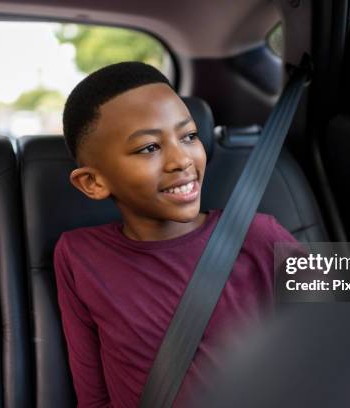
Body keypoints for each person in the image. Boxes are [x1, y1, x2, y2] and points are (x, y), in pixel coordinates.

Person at [53, 61, 297, 408]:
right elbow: (92, 395)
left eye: (189, 136)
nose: (181, 160)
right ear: (93, 182)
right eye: (149, 148)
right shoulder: (78, 255)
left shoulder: (258, 235)